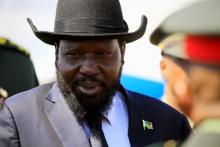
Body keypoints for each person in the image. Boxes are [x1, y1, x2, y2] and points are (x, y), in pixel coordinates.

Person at [0, 0, 191, 147]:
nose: (89, 68)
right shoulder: (17, 117)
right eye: (74, 54)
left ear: (122, 53)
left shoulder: (169, 122)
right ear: (57, 53)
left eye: (102, 54)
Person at [150, 0, 220, 146]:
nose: (190, 75)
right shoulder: (144, 118)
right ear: (163, 66)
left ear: (183, 90)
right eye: (184, 63)